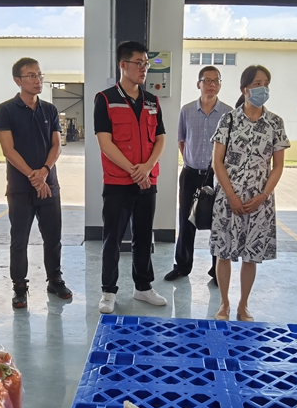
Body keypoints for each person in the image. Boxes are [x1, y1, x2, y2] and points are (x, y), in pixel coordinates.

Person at [211, 65, 289, 321]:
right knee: (223, 252)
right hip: (228, 198)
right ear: (244, 89)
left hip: (259, 201)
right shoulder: (229, 120)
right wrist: (231, 196)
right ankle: (224, 304)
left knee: (251, 256)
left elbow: (278, 166)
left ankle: (243, 305)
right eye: (257, 84)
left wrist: (263, 195)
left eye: (266, 83)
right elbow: (217, 162)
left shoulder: (275, 123)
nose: (262, 88)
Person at [95, 40, 167, 314]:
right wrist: (134, 170)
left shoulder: (152, 101)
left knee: (144, 236)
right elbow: (105, 143)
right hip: (118, 182)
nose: (144, 68)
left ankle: (143, 287)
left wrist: (147, 167)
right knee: (112, 239)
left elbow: (160, 139)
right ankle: (108, 291)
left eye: (146, 64)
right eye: (139, 63)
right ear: (123, 65)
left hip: (147, 181)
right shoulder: (105, 99)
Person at [0, 57, 71, 308]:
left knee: (53, 237)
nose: (37, 80)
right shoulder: (5, 110)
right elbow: (8, 150)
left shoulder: (49, 110)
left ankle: (55, 280)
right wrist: (33, 177)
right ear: (18, 80)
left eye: (39, 75)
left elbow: (57, 145)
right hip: (20, 188)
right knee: (19, 239)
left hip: (49, 184)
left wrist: (45, 172)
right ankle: (19, 287)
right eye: (31, 75)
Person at [165, 66, 232, 283]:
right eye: (207, 80)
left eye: (216, 81)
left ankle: (217, 271)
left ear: (220, 84)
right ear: (198, 84)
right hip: (190, 175)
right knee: (187, 221)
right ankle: (182, 266)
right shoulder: (186, 111)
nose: (211, 85)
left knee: (218, 223)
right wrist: (191, 162)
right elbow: (182, 140)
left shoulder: (229, 113)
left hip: (218, 177)